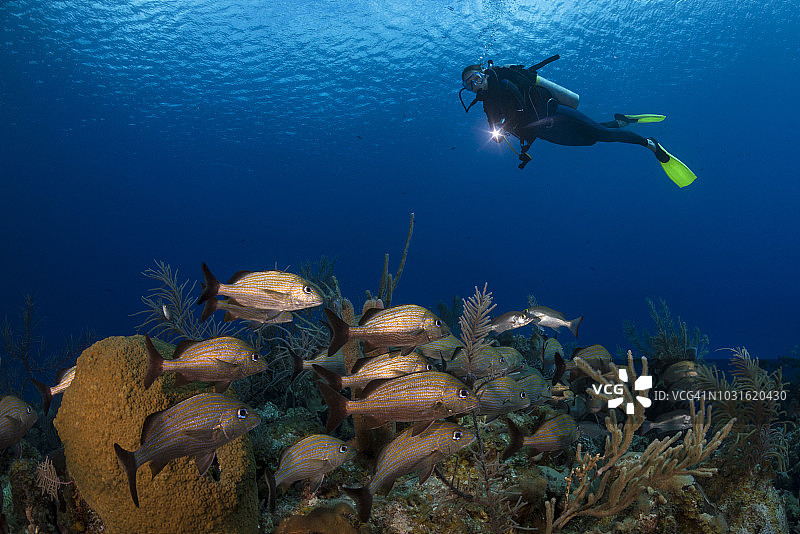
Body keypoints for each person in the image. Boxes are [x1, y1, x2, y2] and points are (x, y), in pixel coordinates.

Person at [459, 56, 697, 187]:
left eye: (476, 78)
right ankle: (621, 122)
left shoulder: (504, 82)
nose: (475, 85)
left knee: (600, 135)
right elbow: (496, 127)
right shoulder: (487, 103)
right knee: (589, 139)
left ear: (483, 73)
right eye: (469, 85)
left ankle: (651, 145)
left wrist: (509, 123)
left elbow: (519, 102)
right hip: (544, 131)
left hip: (555, 114)